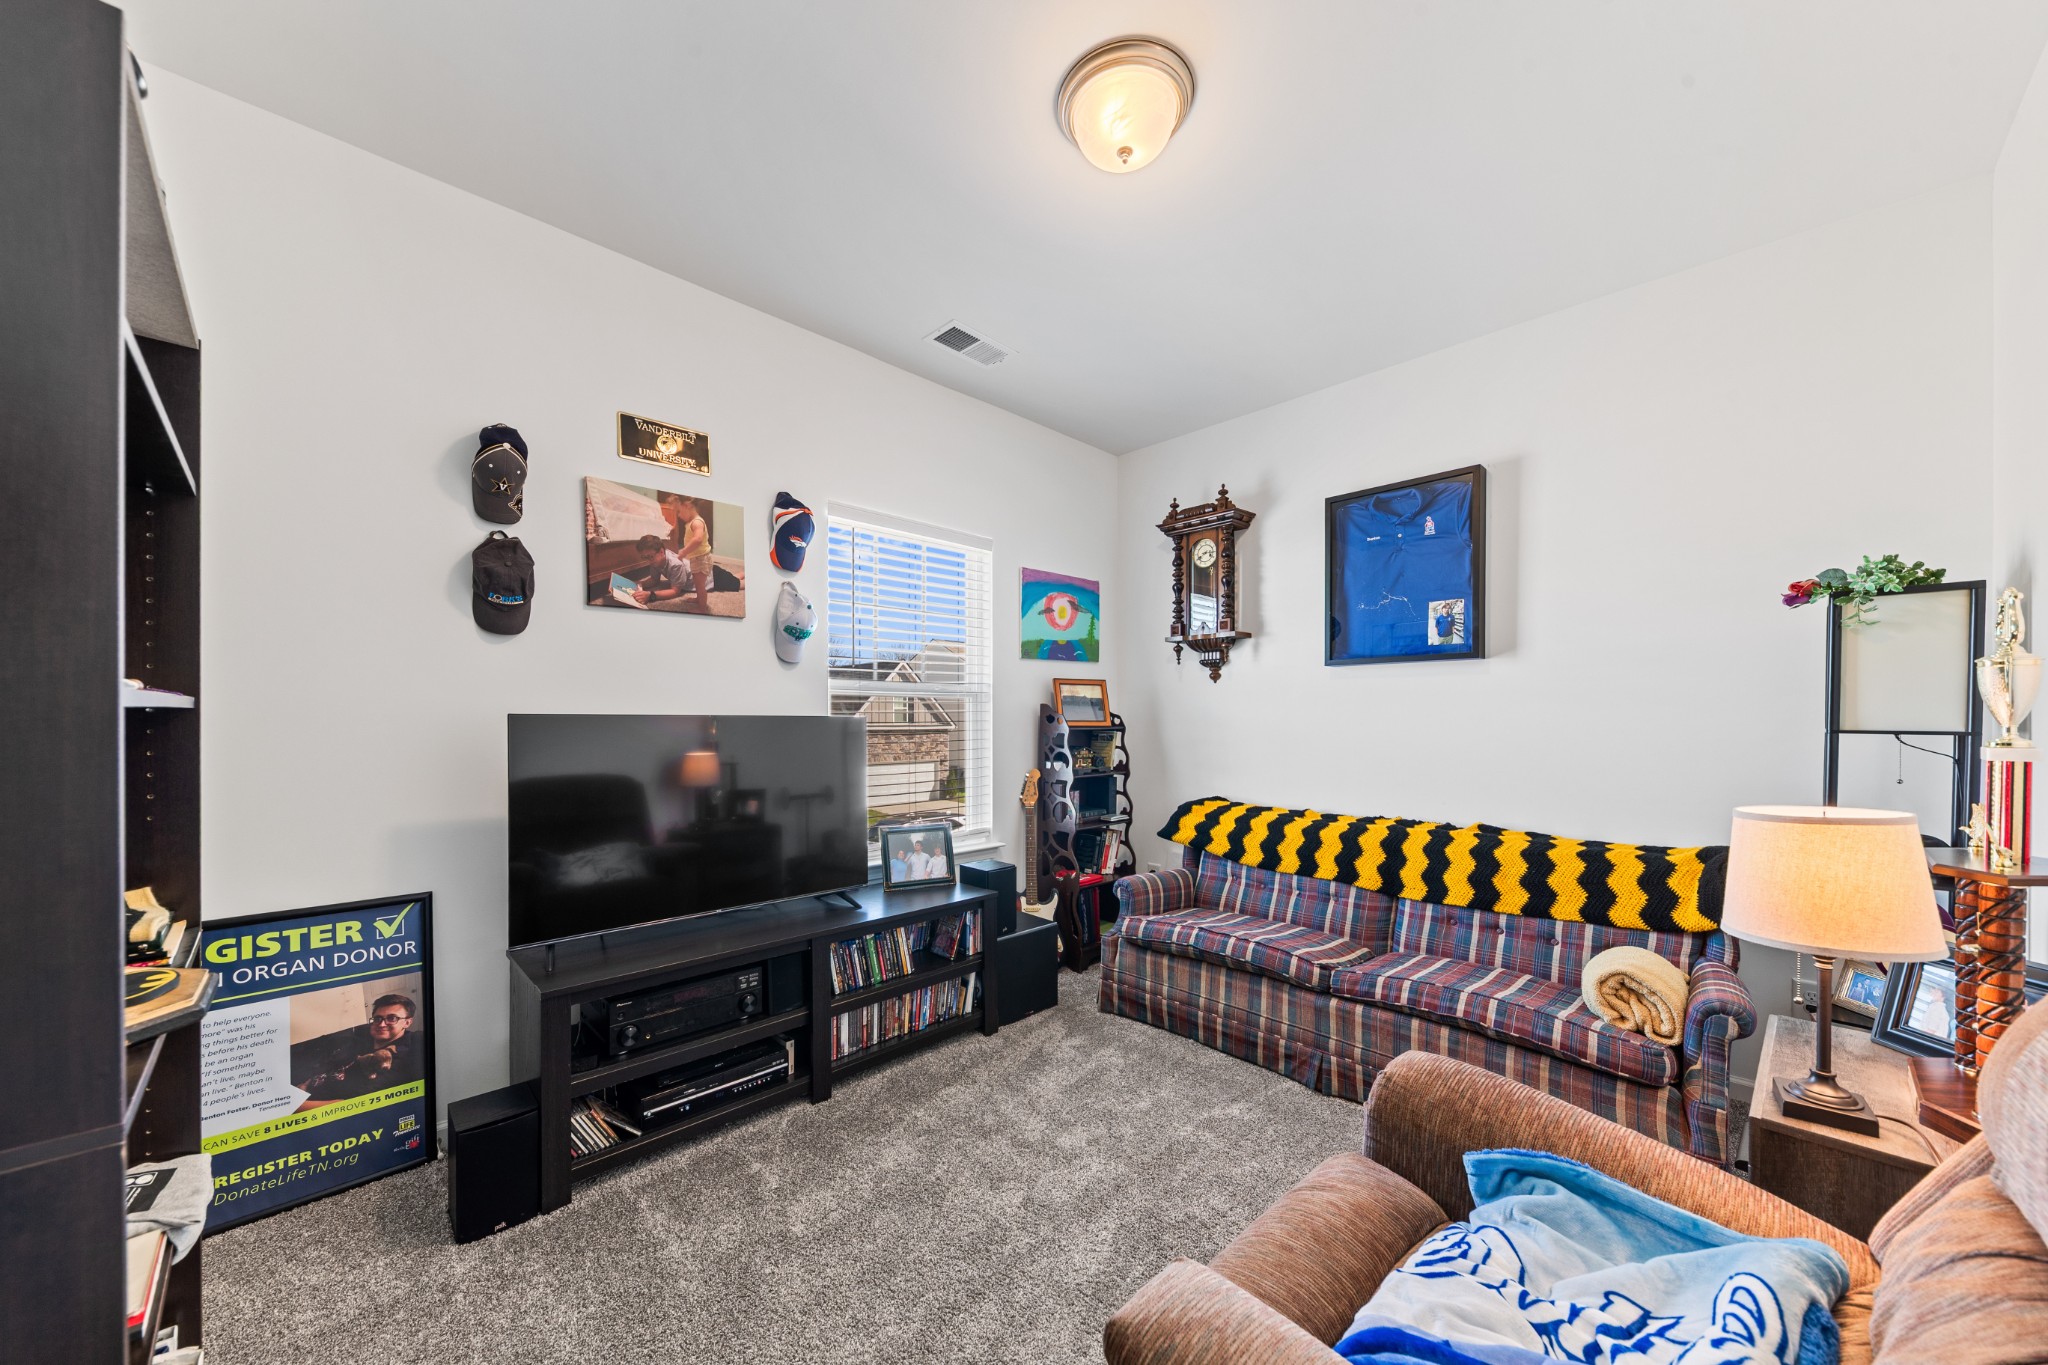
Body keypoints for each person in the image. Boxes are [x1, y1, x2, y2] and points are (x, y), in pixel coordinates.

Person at [291, 993, 425, 1103]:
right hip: (308, 1086)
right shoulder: (359, 1037)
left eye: (392, 1018)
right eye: (377, 1019)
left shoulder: (405, 1053)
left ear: (407, 1022)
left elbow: (349, 1104)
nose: (382, 1024)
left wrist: (296, 1103)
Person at [672, 496, 715, 614]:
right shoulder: (692, 522)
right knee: (697, 582)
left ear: (688, 505)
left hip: (702, 558)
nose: (679, 515)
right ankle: (698, 599)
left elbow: (698, 539)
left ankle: (702, 608)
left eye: (679, 511)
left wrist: (684, 551)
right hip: (697, 558)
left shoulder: (697, 522)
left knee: (700, 585)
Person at [630, 533, 693, 606]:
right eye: (645, 557)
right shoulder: (656, 561)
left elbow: (675, 591)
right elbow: (654, 580)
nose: (648, 561)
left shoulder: (676, 564)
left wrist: (651, 595)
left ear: (661, 552)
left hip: (703, 583)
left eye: (650, 557)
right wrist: (639, 584)